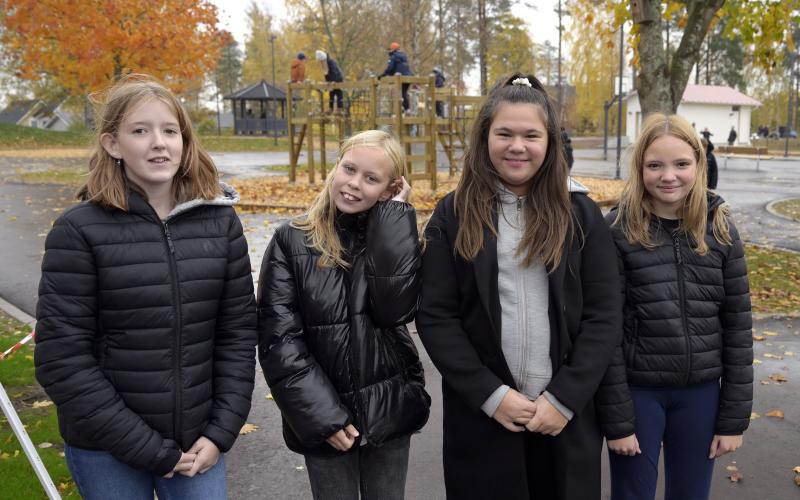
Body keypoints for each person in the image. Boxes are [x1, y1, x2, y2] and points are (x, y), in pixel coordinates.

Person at [34, 74, 258, 499]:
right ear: (112, 144)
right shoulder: (79, 230)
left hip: (197, 447)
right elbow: (61, 359)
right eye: (140, 130)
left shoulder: (220, 223)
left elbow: (236, 335)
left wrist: (221, 431)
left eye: (170, 130)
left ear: (185, 140)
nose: (159, 142)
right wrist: (149, 450)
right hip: (107, 450)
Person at [415, 73, 628, 500]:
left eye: (531, 134)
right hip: (485, 418)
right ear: (484, 137)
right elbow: (437, 316)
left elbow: (604, 314)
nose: (517, 146)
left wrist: (565, 398)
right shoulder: (454, 213)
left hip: (563, 418)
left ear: (549, 141)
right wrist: (490, 395)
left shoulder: (580, 214)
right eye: (505, 133)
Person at [258, 130, 431, 500]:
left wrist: (396, 217)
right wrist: (324, 418)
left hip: (388, 410)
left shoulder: (395, 239)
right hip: (323, 417)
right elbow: (279, 341)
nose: (354, 184)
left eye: (372, 179)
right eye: (349, 169)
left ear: (390, 188)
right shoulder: (292, 240)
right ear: (336, 167)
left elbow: (394, 309)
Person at [605, 113, 753, 500]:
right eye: (655, 165)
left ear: (699, 165)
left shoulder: (720, 229)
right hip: (638, 394)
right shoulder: (619, 230)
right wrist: (617, 420)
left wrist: (733, 419)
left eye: (681, 164)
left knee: (691, 493)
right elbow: (606, 330)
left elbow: (738, 327)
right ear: (640, 169)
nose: (668, 175)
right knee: (632, 492)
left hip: (701, 395)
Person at [379, 42, 414, 113]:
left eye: (390, 49)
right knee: (403, 93)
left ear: (393, 49)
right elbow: (400, 67)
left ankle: (404, 110)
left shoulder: (394, 56)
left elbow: (390, 68)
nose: (389, 51)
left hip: (400, 77)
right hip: (408, 76)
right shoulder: (404, 56)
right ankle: (406, 109)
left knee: (399, 93)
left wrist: (383, 75)